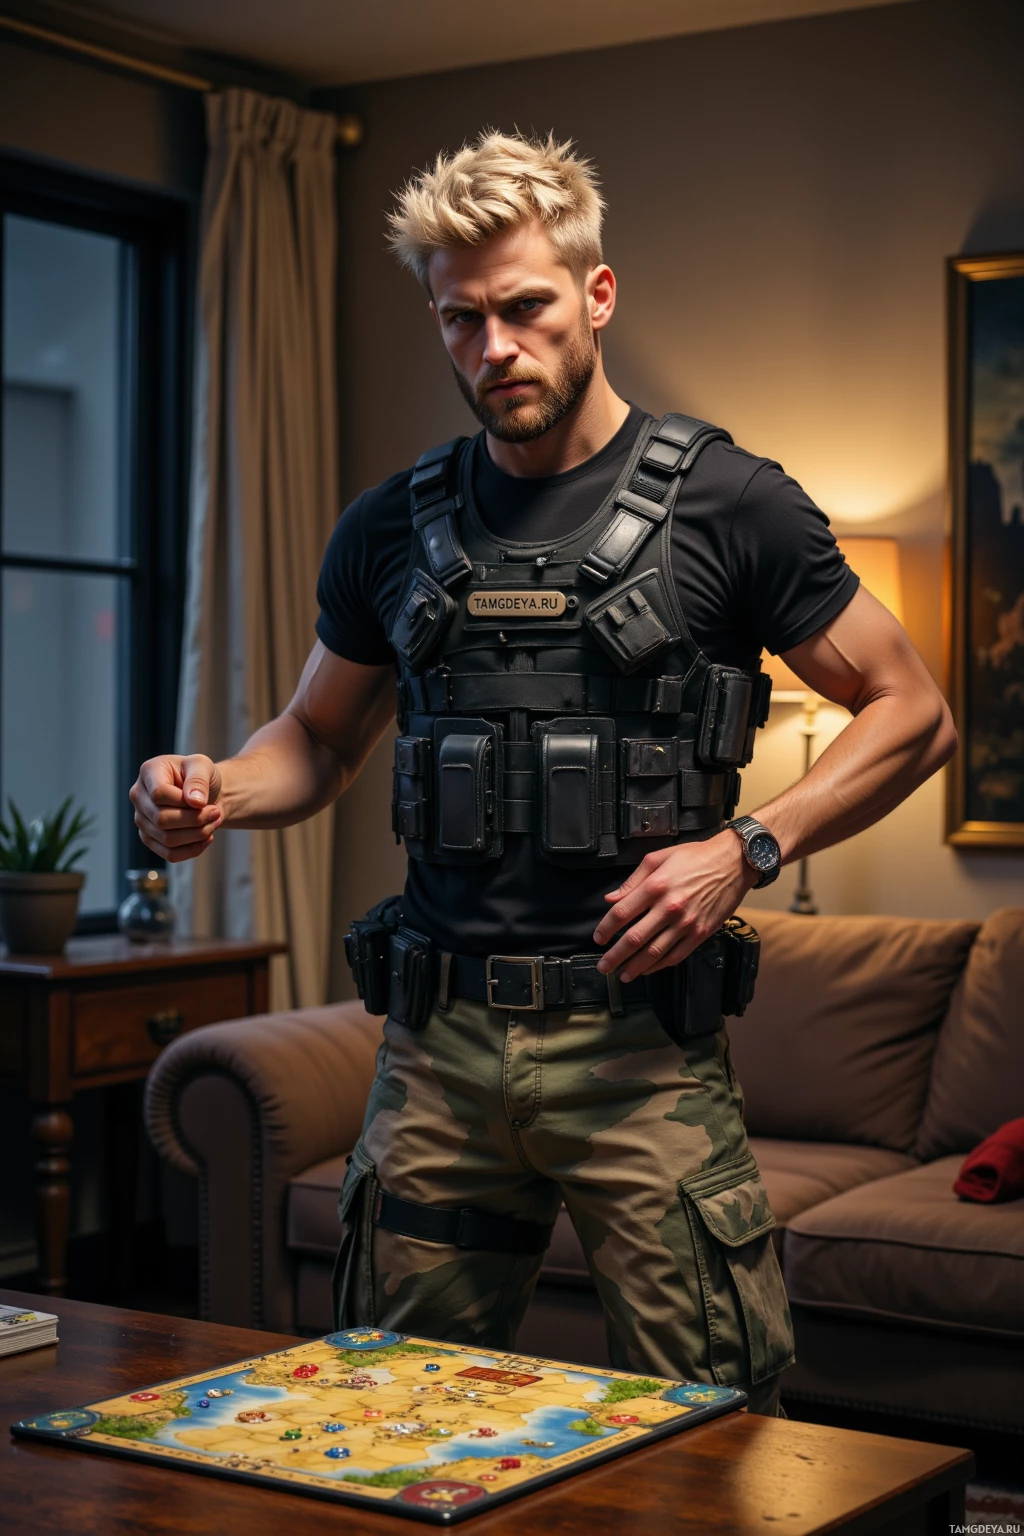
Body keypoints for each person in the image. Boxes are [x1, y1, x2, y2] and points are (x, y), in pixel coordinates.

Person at [131, 131, 956, 1416]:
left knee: (718, 1437)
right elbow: (318, 738)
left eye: (523, 309)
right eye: (460, 320)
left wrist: (746, 850)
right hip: (434, 1051)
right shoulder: (390, 524)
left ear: (597, 295)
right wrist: (212, 791)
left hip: (641, 1055)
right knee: (386, 1419)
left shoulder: (732, 505)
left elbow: (911, 709)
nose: (493, 349)